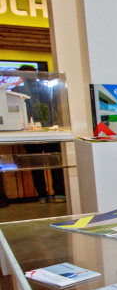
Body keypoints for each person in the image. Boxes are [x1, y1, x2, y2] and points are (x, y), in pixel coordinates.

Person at [13, 65, 66, 204]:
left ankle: (46, 194)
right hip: (41, 132)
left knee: (46, 164)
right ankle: (54, 193)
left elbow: (55, 108)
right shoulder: (20, 90)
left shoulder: (22, 89)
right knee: (51, 163)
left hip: (42, 132)